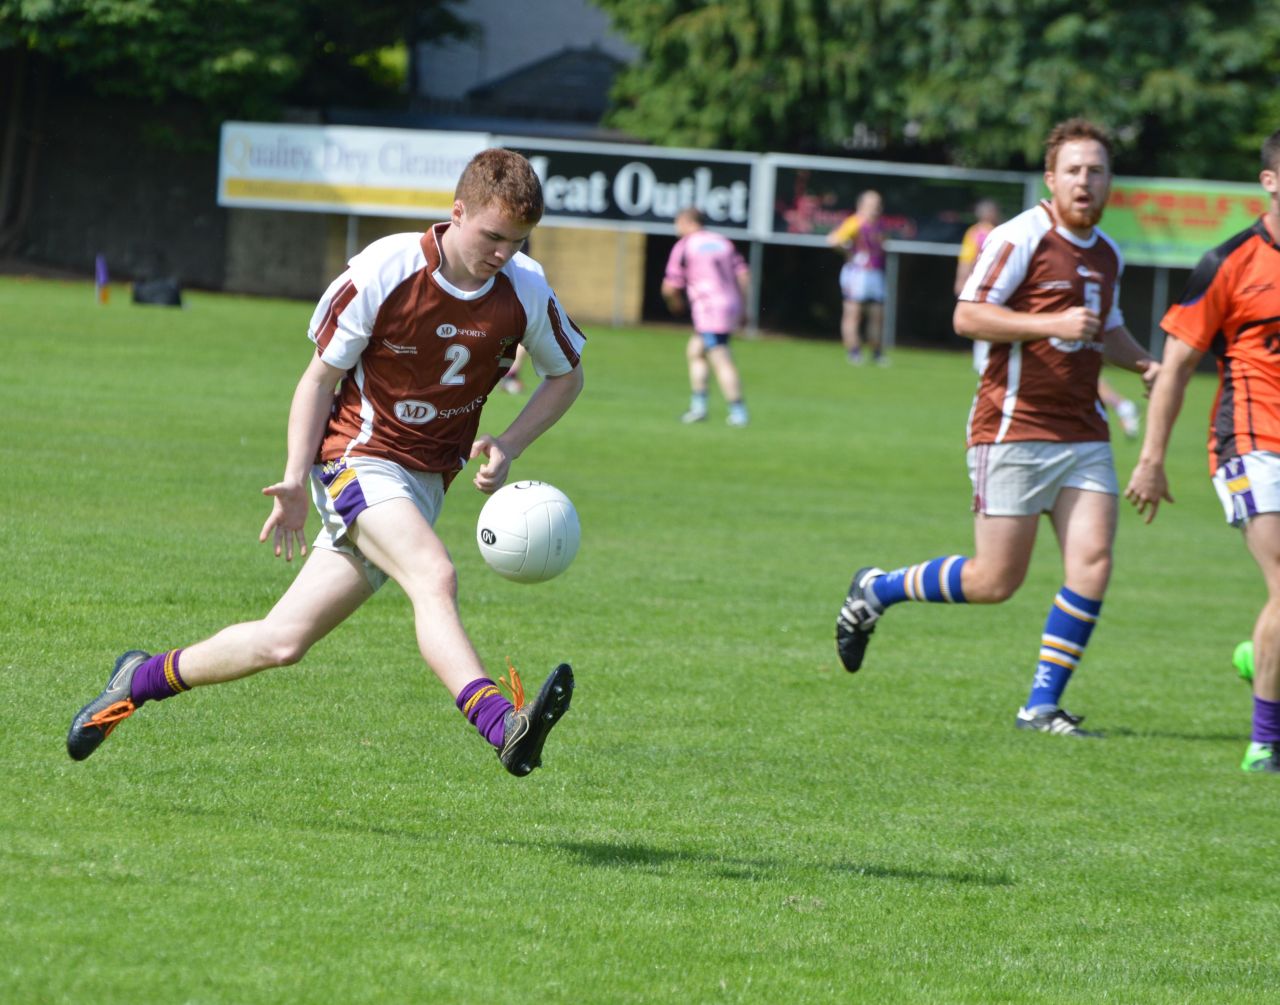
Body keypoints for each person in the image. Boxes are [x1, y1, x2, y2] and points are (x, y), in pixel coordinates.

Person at [66, 149, 586, 777]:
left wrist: (510, 442)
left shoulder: (524, 287)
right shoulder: (386, 269)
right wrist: (292, 477)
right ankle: (504, 725)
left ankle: (137, 679)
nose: (503, 253)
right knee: (434, 574)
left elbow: (566, 376)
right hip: (356, 459)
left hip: (422, 485)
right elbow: (318, 380)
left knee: (281, 641)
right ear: (457, 214)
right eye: (493, 236)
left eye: (518, 240)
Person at [835, 118, 1159, 737]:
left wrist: (1143, 360)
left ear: (1110, 180)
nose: (1085, 181)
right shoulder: (1021, 236)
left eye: (1096, 170)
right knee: (994, 581)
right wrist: (1050, 325)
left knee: (1092, 562)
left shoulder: (1108, 253)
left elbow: (1105, 328)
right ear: (1051, 178)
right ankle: (877, 589)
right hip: (1011, 427)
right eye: (1073, 170)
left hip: (1083, 432)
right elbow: (967, 316)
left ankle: (1041, 706)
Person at [1124, 127, 1280, 773]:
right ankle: (1265, 742)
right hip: (1249, 445)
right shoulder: (1230, 260)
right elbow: (1178, 364)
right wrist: (1151, 457)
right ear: (1270, 180)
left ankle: (1258, 654)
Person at [661, 206, 751, 427]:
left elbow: (669, 287)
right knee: (695, 351)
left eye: (678, 222)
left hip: (709, 309)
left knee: (721, 358)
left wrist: (675, 304)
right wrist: (744, 307)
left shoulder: (685, 246)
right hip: (729, 304)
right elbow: (744, 275)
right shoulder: (723, 242)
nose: (676, 228)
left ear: (689, 222)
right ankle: (698, 407)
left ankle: (738, 412)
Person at [826, 190, 887, 365]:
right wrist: (849, 253)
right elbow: (833, 240)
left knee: (877, 314)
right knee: (853, 314)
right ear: (861, 205)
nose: (875, 208)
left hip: (875, 273)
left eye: (877, 204)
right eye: (871, 204)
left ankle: (876, 353)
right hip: (857, 274)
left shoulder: (878, 224)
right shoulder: (855, 222)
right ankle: (854, 352)